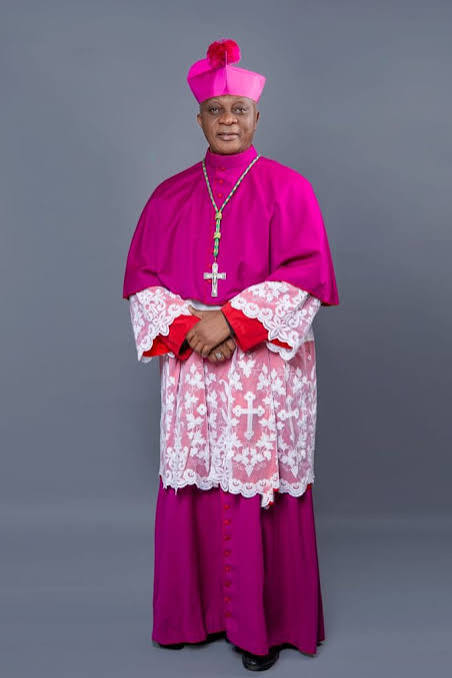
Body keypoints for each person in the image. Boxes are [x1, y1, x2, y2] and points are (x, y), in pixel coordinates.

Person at [122, 38, 339, 672]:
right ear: (198, 119)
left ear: (256, 117)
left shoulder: (290, 189)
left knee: (255, 482)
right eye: (215, 110)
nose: (227, 120)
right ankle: (191, 617)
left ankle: (261, 627)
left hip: (263, 373)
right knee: (195, 479)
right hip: (194, 366)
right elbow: (142, 280)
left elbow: (307, 278)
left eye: (238, 110)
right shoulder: (168, 195)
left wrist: (233, 322)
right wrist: (191, 326)